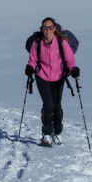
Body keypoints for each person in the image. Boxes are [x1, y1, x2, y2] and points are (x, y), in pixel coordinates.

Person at [25, 17, 79, 146]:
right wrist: (30, 68)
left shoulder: (61, 42)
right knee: (48, 105)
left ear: (54, 29)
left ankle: (57, 132)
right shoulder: (37, 42)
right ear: (42, 29)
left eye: (50, 27)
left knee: (56, 106)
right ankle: (46, 133)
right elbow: (32, 59)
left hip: (58, 77)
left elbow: (69, 59)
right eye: (45, 28)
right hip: (42, 76)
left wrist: (74, 69)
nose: (47, 30)